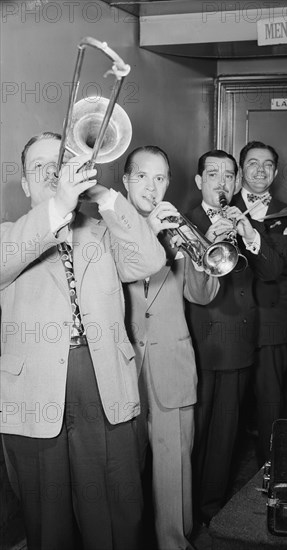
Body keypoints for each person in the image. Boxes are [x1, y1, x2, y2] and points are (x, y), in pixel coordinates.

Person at [0, 132, 166, 550]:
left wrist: (105, 196)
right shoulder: (9, 235)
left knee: (114, 516)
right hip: (34, 394)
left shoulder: (102, 230)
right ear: (24, 184)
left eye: (58, 164)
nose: (51, 172)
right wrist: (57, 208)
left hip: (104, 382)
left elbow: (149, 260)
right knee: (47, 524)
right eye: (39, 167)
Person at [122, 145, 220, 550]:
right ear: (125, 181)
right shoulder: (104, 228)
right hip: (122, 367)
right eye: (142, 176)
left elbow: (203, 295)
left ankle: (175, 544)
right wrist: (150, 232)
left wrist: (198, 252)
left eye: (160, 177)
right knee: (120, 474)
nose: (152, 185)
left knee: (173, 469)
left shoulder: (180, 227)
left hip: (172, 365)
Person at [185, 149, 284, 524]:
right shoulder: (185, 222)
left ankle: (211, 509)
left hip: (239, 344)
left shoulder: (244, 221)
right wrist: (204, 242)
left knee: (225, 436)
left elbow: (273, 271)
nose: (222, 183)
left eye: (229, 176)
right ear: (200, 182)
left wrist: (251, 236)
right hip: (199, 343)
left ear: (236, 182)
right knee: (192, 434)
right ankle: (184, 509)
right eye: (214, 175)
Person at [232, 140, 287, 466]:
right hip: (231, 318)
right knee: (230, 401)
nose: (260, 170)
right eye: (253, 163)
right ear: (241, 170)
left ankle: (268, 469)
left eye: (268, 165)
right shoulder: (223, 207)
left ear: (276, 171)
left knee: (269, 398)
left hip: (272, 320)